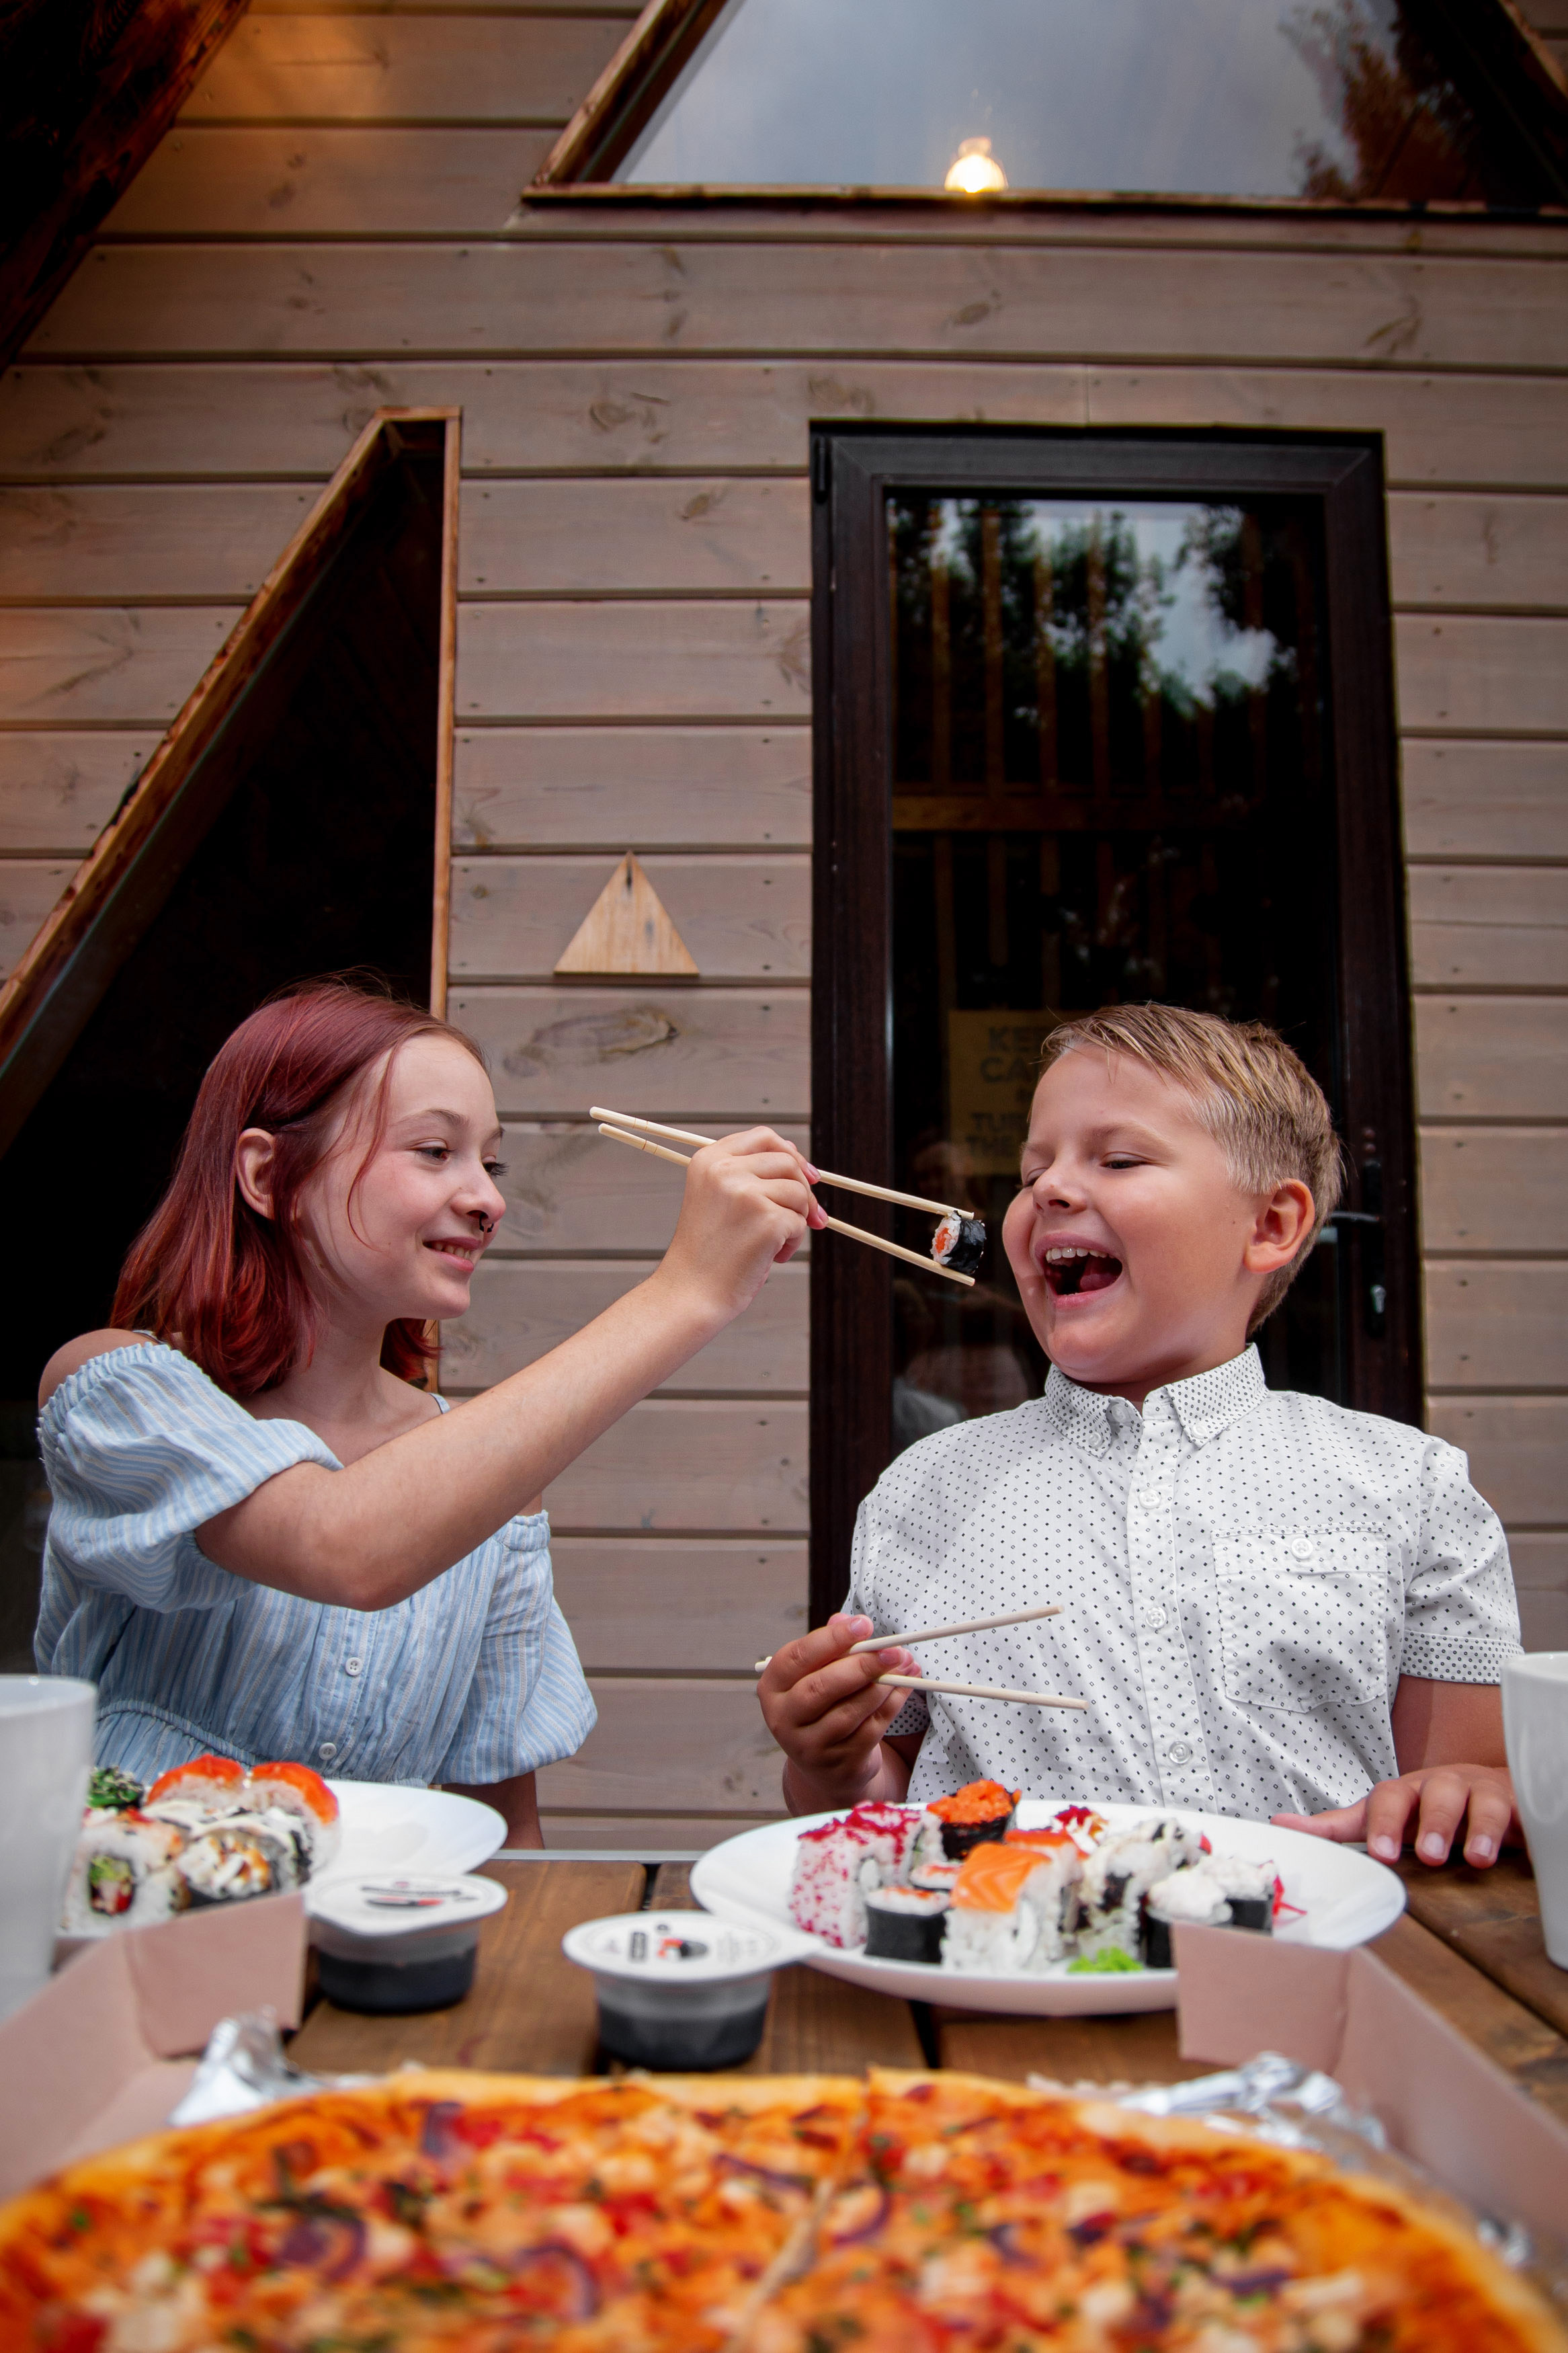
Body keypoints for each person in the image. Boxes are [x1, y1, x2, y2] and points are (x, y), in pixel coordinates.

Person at [38, 978, 821, 1844]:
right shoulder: (117, 1388)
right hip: (131, 1946)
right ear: (269, 1175)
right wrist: (685, 1293)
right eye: (434, 1151)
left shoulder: (485, 1488)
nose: (488, 1199)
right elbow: (342, 1545)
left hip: (370, 1968)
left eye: (491, 1162)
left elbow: (505, 1836)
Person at [759, 1003, 1522, 1871]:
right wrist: (831, 1765)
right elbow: (879, 1797)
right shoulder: (925, 1491)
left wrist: (1471, 1796)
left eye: (1116, 1159)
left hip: (1308, 1975)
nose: (1047, 1188)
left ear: (1270, 1226)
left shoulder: (1410, 1489)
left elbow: (1463, 1789)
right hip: (1005, 1975)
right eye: (1031, 1167)